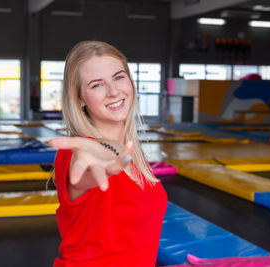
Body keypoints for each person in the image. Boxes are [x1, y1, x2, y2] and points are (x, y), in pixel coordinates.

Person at [48, 40, 168, 267]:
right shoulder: (78, 151)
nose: (114, 91)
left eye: (118, 77)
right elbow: (87, 165)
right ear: (80, 99)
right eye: (96, 85)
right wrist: (107, 151)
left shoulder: (135, 153)